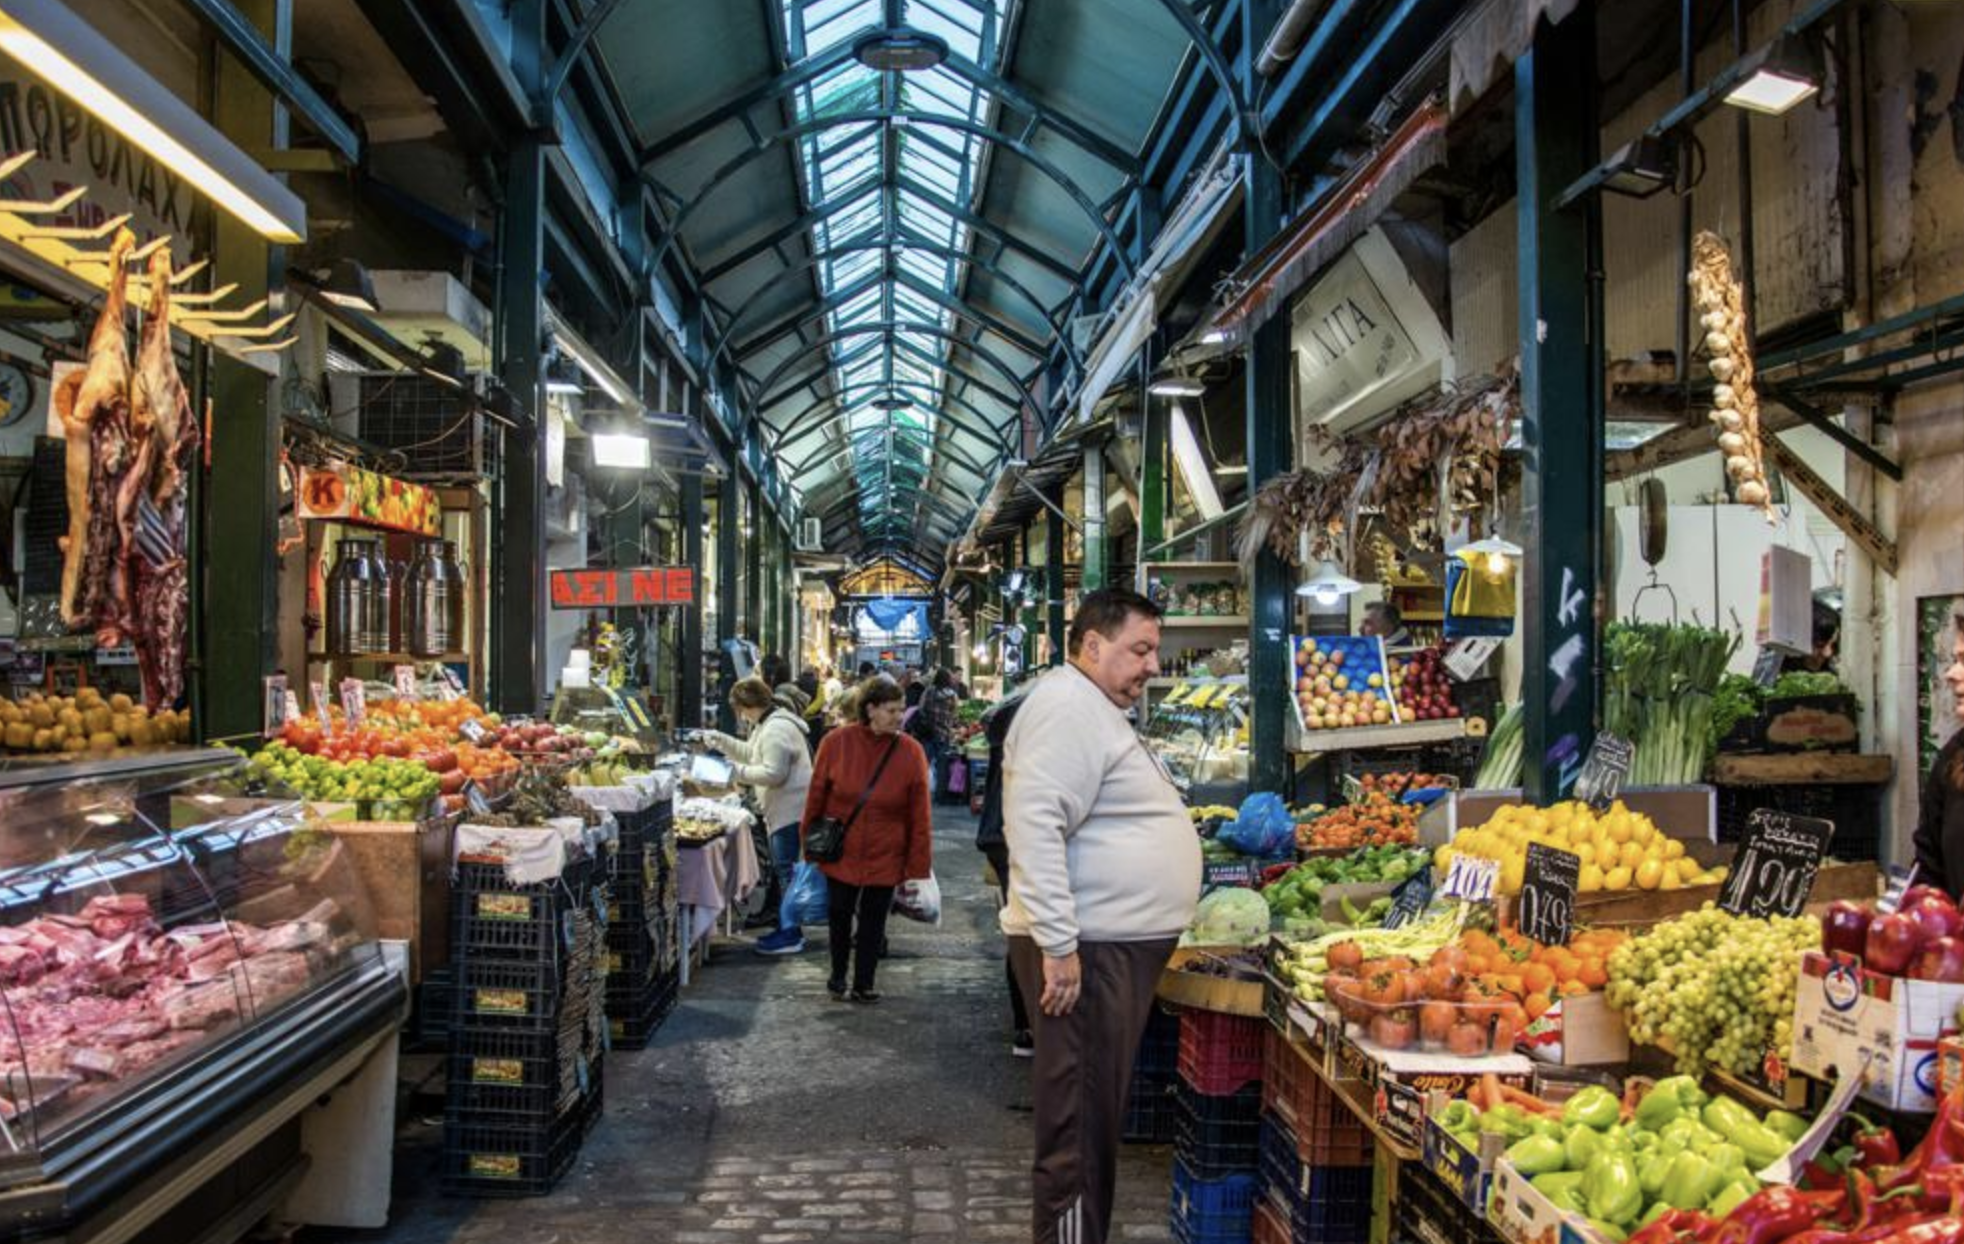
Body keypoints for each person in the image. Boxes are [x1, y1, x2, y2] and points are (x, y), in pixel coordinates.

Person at [1002, 588, 1200, 1244]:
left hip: (1103, 948)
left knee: (1091, 1121)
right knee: (1078, 1128)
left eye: (1155, 651)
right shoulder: (1067, 708)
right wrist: (1060, 945)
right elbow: (1034, 825)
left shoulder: (1091, 709)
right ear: (1091, 646)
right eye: (1139, 649)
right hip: (1086, 953)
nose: (1151, 665)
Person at [802, 675, 933, 1001]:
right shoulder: (836, 743)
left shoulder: (911, 751)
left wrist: (918, 864)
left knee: (874, 921)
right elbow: (816, 794)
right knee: (839, 913)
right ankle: (836, 974)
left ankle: (864, 983)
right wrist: (809, 842)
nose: (898, 717)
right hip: (842, 847)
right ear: (870, 709)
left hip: (887, 850)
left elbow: (920, 813)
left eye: (901, 710)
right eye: (891, 710)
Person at [700, 677, 816, 956]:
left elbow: (773, 773)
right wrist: (720, 740)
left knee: (786, 872)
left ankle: (791, 933)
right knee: (784, 871)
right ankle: (786, 927)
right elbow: (753, 754)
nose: (740, 715)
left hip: (789, 811)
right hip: (785, 809)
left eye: (740, 709)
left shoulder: (776, 728)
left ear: (747, 705)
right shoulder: (768, 723)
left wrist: (733, 772)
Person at [975, 688, 1035, 1056]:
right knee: (1029, 929)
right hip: (1015, 834)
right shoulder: (1032, 735)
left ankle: (1026, 1025)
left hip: (1000, 833)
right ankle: (1028, 1024)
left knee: (1022, 925)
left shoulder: (1008, 727)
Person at [1913, 617, 1964, 897]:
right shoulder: (1954, 756)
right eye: (1956, 659)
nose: (1951, 673)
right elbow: (1928, 863)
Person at [917, 668, 961, 800]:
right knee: (942, 765)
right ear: (948, 680)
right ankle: (940, 795)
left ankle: (920, 792)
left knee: (924, 764)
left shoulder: (929, 691)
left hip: (929, 732)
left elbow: (921, 708)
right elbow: (955, 715)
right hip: (944, 733)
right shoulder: (952, 695)